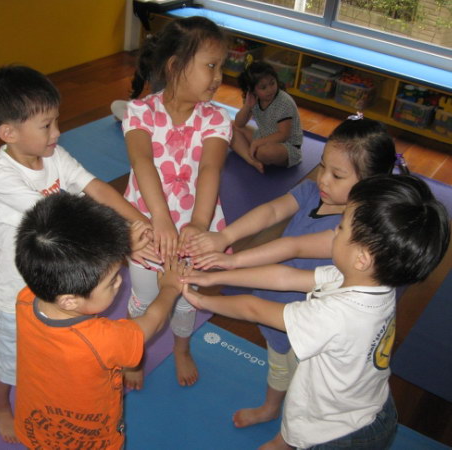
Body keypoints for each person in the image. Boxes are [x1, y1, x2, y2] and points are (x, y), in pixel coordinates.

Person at [182, 174, 450, 449]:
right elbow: (285, 278)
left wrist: (203, 301)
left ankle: (286, 442)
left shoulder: (339, 315)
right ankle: (283, 441)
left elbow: (254, 309)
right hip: (369, 405)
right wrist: (215, 277)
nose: (333, 231)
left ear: (362, 258)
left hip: (339, 434)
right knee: (303, 411)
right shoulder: (371, 282)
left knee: (307, 420)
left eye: (341, 228)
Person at [185, 117, 405, 435]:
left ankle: (288, 433)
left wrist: (230, 263)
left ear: (370, 184)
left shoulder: (356, 233)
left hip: (314, 321)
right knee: (278, 363)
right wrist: (226, 238)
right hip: (277, 293)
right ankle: (271, 407)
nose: (323, 179)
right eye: (323, 166)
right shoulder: (312, 192)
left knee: (305, 383)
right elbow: (272, 212)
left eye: (337, 175)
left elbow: (292, 247)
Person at [0, 65, 157, 443]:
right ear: (9, 133)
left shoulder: (54, 155)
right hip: (14, 297)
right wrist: (123, 243)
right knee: (9, 365)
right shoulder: (3, 178)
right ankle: (0, 405)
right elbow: (64, 226)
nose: (57, 132)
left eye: (56, 121)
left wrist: (141, 221)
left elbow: (97, 188)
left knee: (56, 363)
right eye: (46, 126)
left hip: (57, 289)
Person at [13, 192, 185, 449]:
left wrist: (119, 248)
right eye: (112, 281)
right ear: (69, 301)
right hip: (91, 439)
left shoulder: (27, 298)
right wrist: (169, 288)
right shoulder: (103, 340)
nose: (120, 282)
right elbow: (154, 321)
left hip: (36, 425)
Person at [121, 16, 232, 389]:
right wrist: (161, 218)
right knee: (143, 297)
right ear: (174, 66)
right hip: (149, 229)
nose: (218, 77)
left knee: (185, 299)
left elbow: (210, 169)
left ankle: (181, 348)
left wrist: (199, 224)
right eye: (211, 66)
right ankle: (134, 354)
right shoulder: (140, 112)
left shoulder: (216, 118)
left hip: (191, 232)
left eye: (222, 67)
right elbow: (142, 161)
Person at [230, 61, 303, 173]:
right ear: (252, 90)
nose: (269, 89)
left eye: (272, 83)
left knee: (266, 152)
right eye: (263, 87)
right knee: (229, 127)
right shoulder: (254, 99)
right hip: (264, 136)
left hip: (287, 146)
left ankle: (251, 151)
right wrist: (247, 106)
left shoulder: (284, 102)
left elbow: (283, 135)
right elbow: (239, 124)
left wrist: (257, 143)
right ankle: (251, 160)